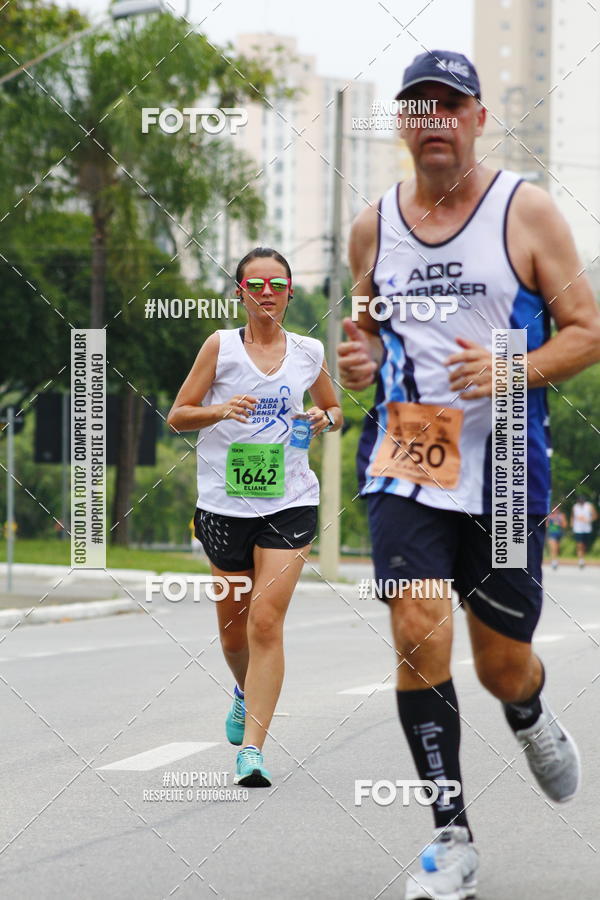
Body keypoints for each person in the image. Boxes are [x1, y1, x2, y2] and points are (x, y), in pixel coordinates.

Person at [337, 49, 600, 900]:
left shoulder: (525, 214)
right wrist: (357, 358)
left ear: (478, 119)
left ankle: (526, 711)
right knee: (418, 632)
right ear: (404, 125)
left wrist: (513, 364)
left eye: (451, 106)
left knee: (499, 664)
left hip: (507, 469)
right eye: (419, 107)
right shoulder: (373, 225)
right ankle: (451, 837)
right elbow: (368, 333)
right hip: (408, 451)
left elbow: (586, 331)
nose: (434, 120)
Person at [168, 247, 342, 787]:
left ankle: (252, 751)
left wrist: (323, 417)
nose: (267, 292)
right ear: (241, 292)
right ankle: (242, 692)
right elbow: (178, 416)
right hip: (223, 506)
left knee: (266, 621)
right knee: (234, 635)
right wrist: (221, 409)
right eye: (256, 284)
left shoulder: (309, 352)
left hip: (290, 501)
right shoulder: (219, 348)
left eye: (277, 284)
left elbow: (336, 409)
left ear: (291, 292)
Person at [570, 495, 597, 568]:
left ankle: (582, 558)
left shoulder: (589, 506)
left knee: (584, 545)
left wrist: (588, 520)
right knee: (579, 544)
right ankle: (580, 560)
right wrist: (572, 525)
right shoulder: (575, 507)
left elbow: (595, 516)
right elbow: (572, 517)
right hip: (578, 529)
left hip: (587, 529)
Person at [546, 505, 567, 570]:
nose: (555, 510)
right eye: (554, 509)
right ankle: (554, 562)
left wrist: (559, 523)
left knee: (556, 548)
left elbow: (565, 525)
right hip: (551, 534)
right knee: (553, 547)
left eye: (557, 509)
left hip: (558, 534)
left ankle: (554, 560)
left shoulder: (561, 516)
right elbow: (546, 525)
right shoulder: (549, 516)